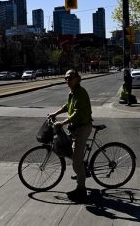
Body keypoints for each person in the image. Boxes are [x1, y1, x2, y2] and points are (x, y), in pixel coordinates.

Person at [48, 69, 92, 202]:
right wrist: (55, 114)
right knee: (70, 152)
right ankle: (82, 171)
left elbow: (77, 113)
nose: (67, 80)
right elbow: (67, 107)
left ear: (77, 78)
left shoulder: (81, 93)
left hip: (82, 128)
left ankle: (81, 189)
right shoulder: (72, 93)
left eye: (70, 78)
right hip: (75, 128)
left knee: (76, 161)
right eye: (66, 78)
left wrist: (62, 122)